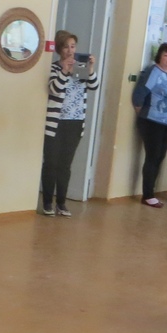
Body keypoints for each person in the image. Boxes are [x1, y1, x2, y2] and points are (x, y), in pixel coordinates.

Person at [39, 31, 99, 216]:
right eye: (66, 46)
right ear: (59, 49)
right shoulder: (55, 68)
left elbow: (93, 86)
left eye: (73, 46)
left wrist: (90, 69)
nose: (70, 50)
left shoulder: (80, 67)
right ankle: (48, 202)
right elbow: (55, 89)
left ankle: (62, 203)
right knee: (51, 163)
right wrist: (65, 71)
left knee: (65, 165)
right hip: (55, 124)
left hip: (75, 122)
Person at [130, 43, 167, 208]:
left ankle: (151, 193)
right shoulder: (153, 71)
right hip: (152, 122)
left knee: (160, 157)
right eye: (166, 55)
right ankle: (148, 195)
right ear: (160, 56)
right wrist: (143, 113)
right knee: (152, 157)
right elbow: (139, 95)